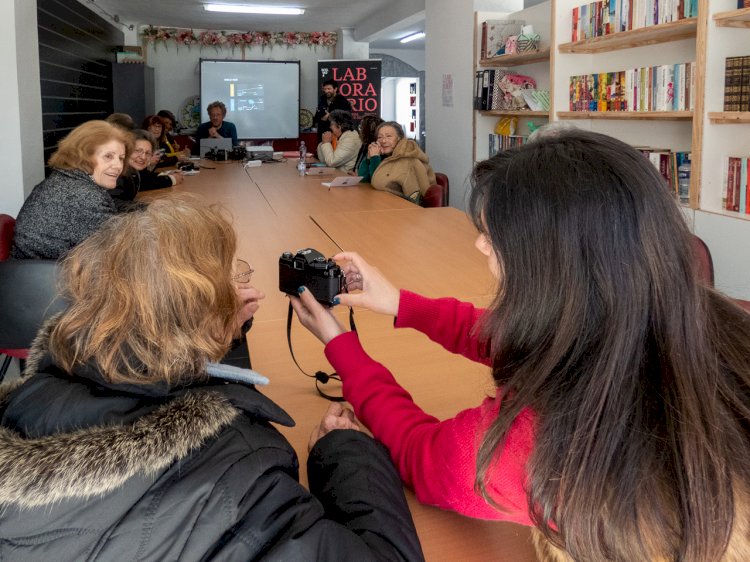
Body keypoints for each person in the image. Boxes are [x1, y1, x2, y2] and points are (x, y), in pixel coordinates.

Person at [290, 129, 750, 562]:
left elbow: (423, 454)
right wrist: (399, 304)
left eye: (493, 238)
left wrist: (340, 346)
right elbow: (523, 338)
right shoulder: (703, 320)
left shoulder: (526, 451)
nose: (479, 245)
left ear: (546, 268)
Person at [0, 198, 424, 561]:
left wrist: (213, 329)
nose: (242, 283)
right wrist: (345, 451)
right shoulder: (237, 472)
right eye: (230, 276)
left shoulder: (34, 394)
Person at [11, 120, 132, 260]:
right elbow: (122, 247)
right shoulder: (83, 196)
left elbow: (112, 206)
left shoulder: (65, 181)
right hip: (46, 278)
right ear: (83, 156)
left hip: (33, 272)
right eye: (108, 156)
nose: (118, 165)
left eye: (121, 158)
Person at [358, 121, 436, 200]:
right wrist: (368, 158)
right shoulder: (385, 155)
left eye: (389, 136)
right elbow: (363, 179)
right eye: (380, 137)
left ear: (399, 138)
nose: (383, 141)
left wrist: (375, 158)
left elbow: (378, 182)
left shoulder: (408, 159)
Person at [109, 129, 183, 206]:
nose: (143, 157)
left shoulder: (132, 171)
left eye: (148, 153)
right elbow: (114, 205)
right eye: (137, 150)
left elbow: (144, 178)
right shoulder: (116, 172)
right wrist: (149, 206)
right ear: (125, 151)